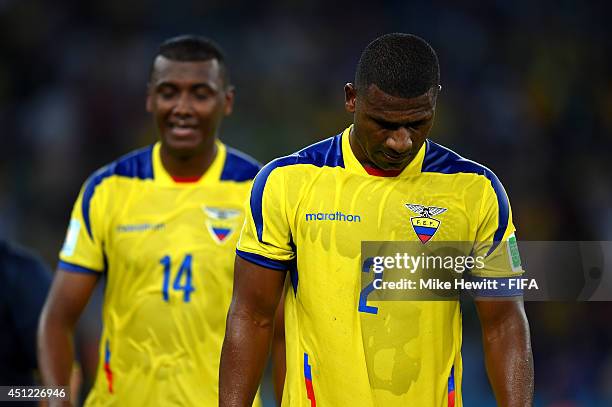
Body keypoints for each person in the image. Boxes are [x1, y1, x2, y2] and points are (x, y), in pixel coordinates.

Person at [219, 33, 534, 406]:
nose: (400, 142)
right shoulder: (288, 182)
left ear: (435, 100)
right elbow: (252, 315)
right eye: (384, 124)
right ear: (352, 98)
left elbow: (503, 323)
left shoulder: (475, 191)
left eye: (417, 123)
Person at [38, 35, 264, 406]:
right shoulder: (107, 188)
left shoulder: (259, 191)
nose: (182, 107)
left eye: (201, 94)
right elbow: (57, 319)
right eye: (169, 92)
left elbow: (282, 329)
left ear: (227, 102)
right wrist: (57, 399)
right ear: (149, 98)